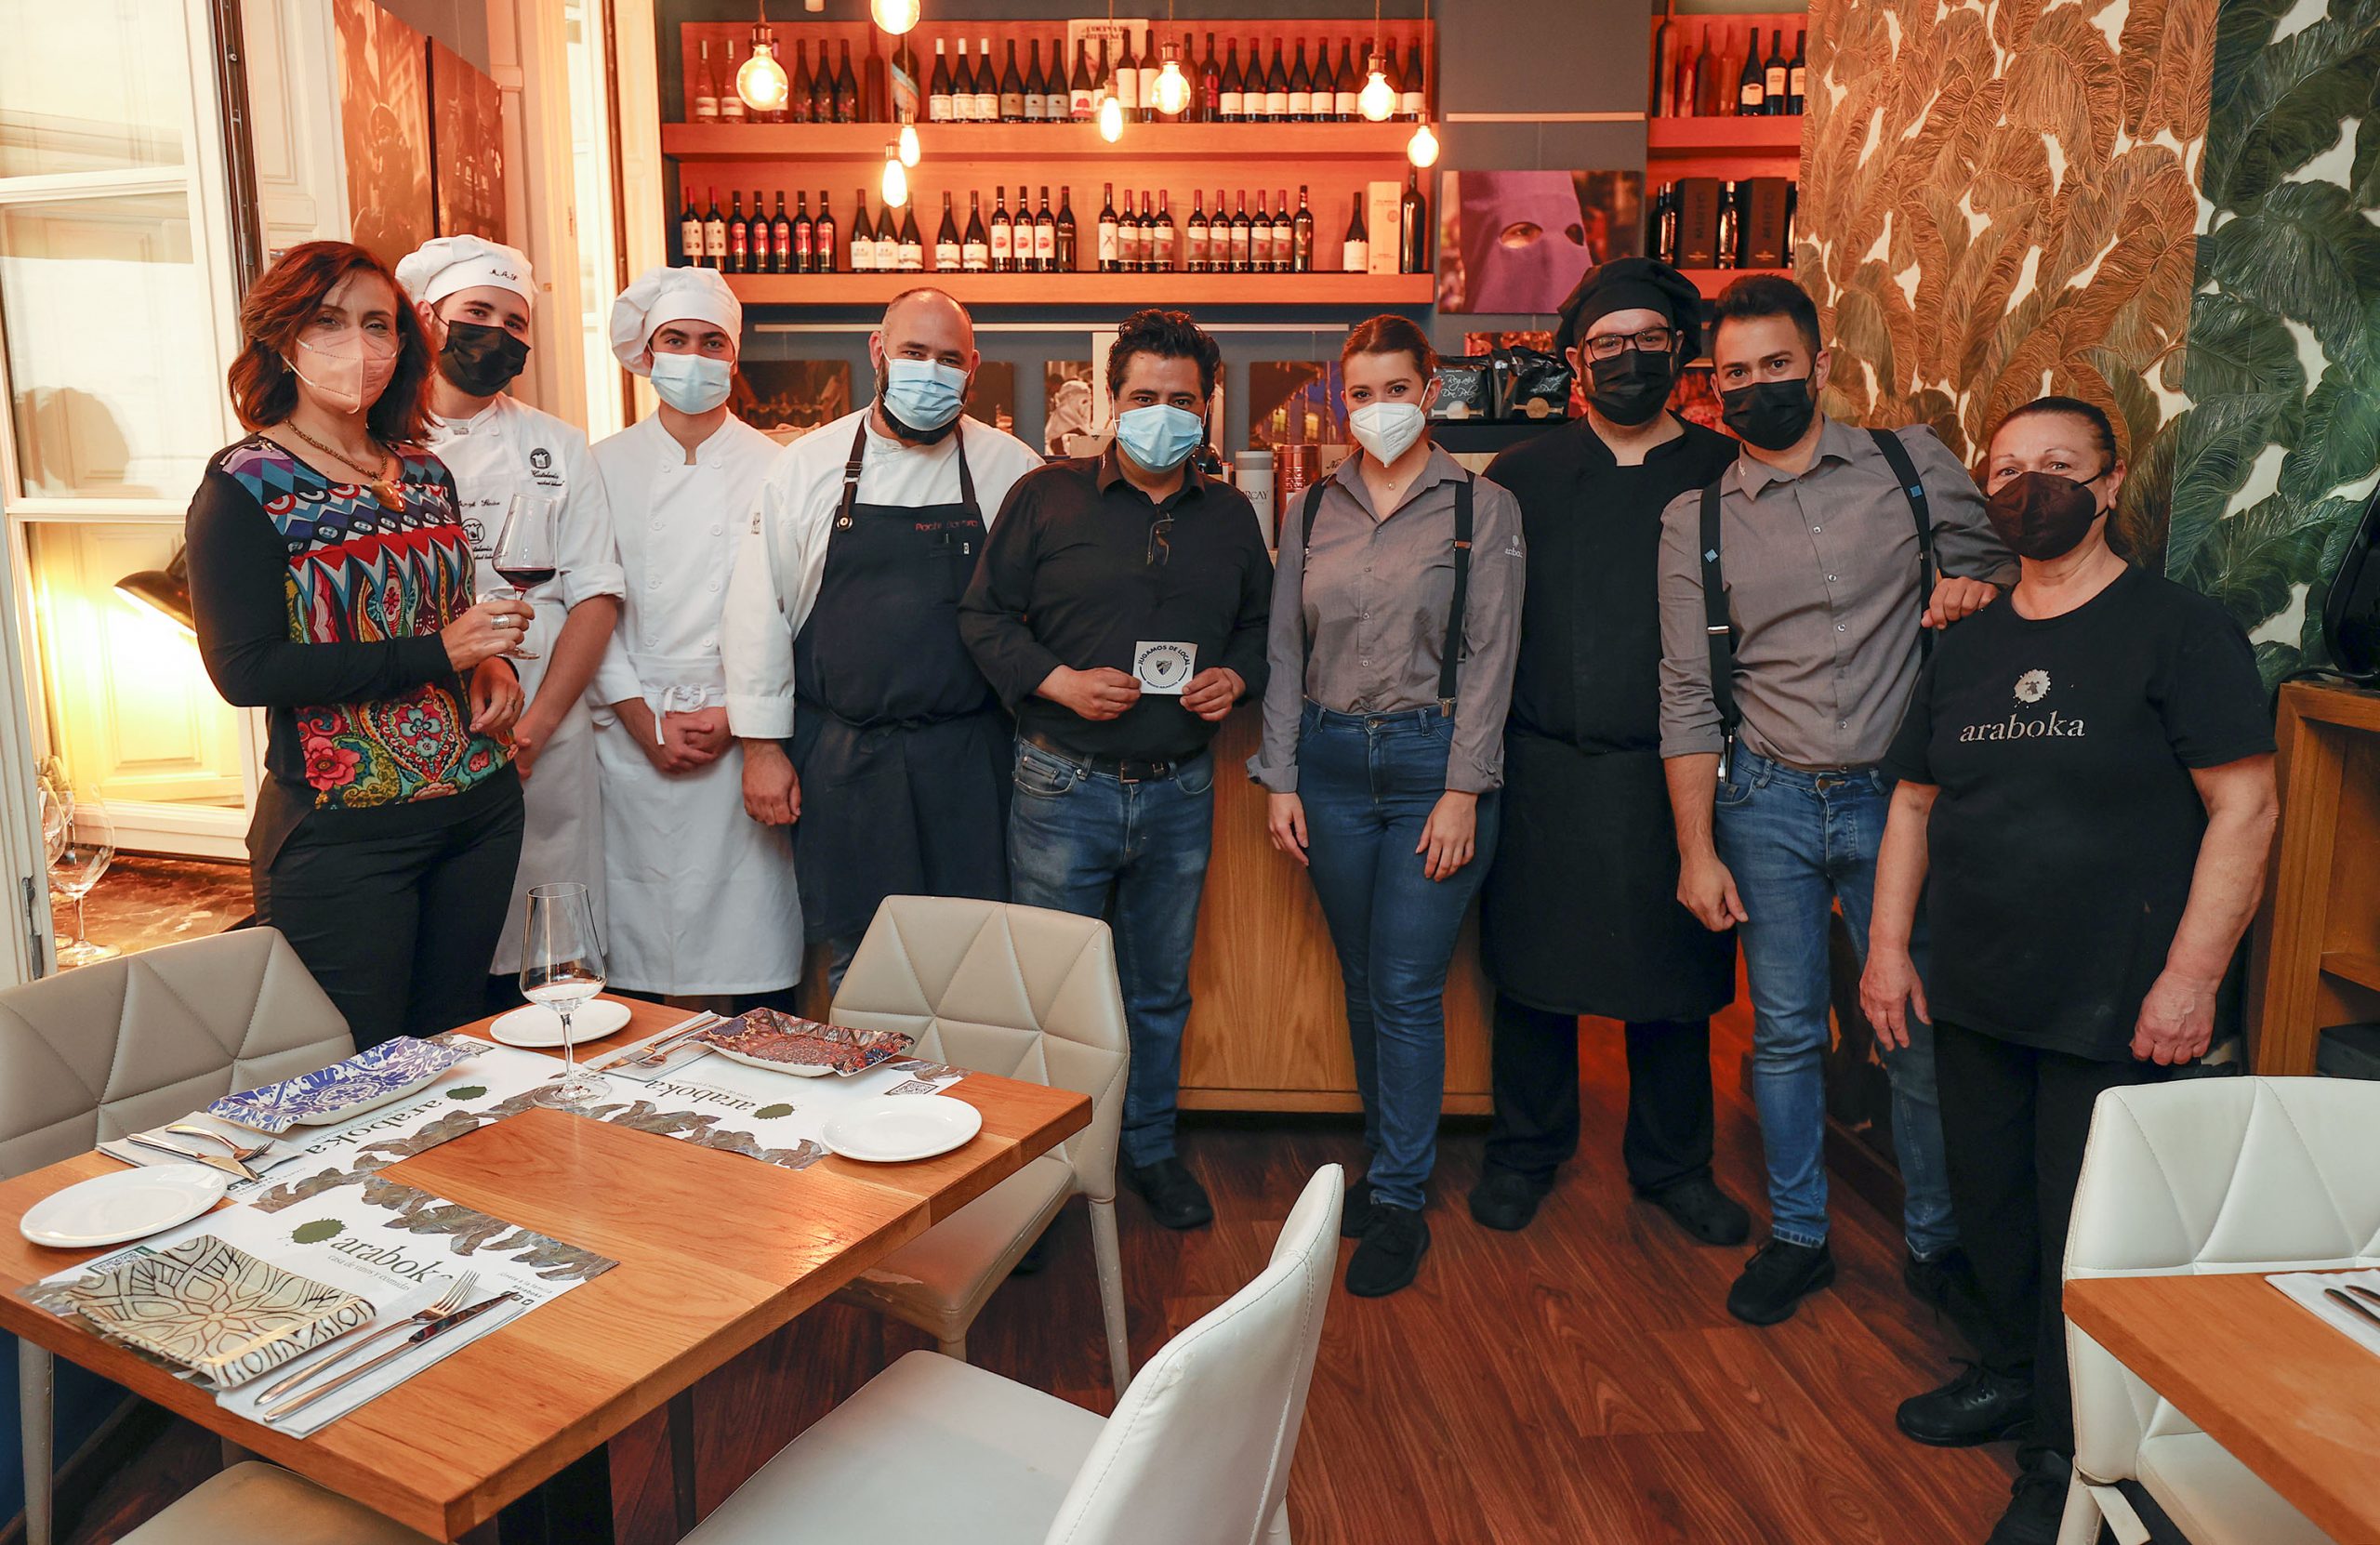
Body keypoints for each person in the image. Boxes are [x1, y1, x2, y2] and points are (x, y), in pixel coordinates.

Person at [1860, 398, 2277, 1545]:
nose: (2026, 486)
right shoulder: (1967, 641)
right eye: (2004, 469)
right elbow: (1912, 803)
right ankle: (2008, 1375)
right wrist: (1888, 951)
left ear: (2108, 485)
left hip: (2114, 994)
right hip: (1977, 982)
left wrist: (2189, 980)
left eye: (2055, 464)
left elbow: (2244, 807)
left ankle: (2067, 1454)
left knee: (2083, 1231)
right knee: (1993, 1209)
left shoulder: (2175, 630)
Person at [1656, 274, 2016, 1327]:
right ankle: (1801, 1237)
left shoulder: (1912, 466)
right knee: (1782, 1034)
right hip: (1765, 800)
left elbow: (2011, 584)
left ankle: (1936, 1244)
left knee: (1914, 1029)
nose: (1756, 386)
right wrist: (1695, 850)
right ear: (1712, 386)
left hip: (1902, 801)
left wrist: (1977, 591)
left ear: (1819, 366)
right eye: (1735, 374)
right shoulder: (1695, 520)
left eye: (1777, 364)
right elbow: (1686, 691)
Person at [959, 308, 1271, 1231]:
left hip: (1180, 787)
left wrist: (1236, 677)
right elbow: (983, 618)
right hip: (1061, 784)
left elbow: (1261, 625)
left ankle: (1150, 1149)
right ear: (1109, 400)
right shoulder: (1044, 497)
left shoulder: (1231, 514)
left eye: (1181, 400)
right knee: (1051, 993)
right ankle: (1046, 1171)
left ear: (1207, 409)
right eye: (1142, 397)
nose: (1160, 414)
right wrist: (1056, 680)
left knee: (1158, 992)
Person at [185, 240, 530, 1048]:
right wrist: (439, 655)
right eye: (329, 321)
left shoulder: (424, 472)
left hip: (479, 811)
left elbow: (445, 614)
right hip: (344, 831)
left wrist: (488, 661)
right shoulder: (244, 484)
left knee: (458, 1051)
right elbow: (244, 670)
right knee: (355, 1066)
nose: (360, 345)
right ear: (281, 337)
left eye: (379, 325)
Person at [1472, 258, 1750, 1244]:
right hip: (1543, 761)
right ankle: (1525, 1151)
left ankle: (1674, 1165)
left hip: (1674, 771)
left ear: (1680, 351)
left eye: (1647, 340)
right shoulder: (1520, 475)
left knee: (1674, 980)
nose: (1628, 358)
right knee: (1532, 977)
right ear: (1576, 360)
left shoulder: (1726, 470)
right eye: (1606, 344)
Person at [1250, 315, 1524, 1296]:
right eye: (1360, 394)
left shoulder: (1481, 506)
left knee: (1406, 987)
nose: (1378, 410)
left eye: (1396, 389)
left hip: (1427, 765)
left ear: (1431, 388)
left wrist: (1462, 789)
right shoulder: (1310, 508)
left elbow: (1492, 656)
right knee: (1364, 980)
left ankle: (1401, 1199)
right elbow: (1285, 648)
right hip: (1327, 765)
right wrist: (1281, 775)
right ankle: (1384, 1162)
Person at [723, 288, 1043, 985]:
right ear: (878, 351)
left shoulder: (1013, 470)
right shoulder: (807, 466)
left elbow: (1044, 616)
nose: (931, 372)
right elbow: (757, 612)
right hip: (847, 759)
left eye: (949, 359)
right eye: (914, 352)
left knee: (976, 962)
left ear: (974, 368)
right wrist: (762, 750)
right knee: (863, 964)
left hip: (973, 760)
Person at [393, 235, 624, 999]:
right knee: (442, 938)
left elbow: (596, 593)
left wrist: (538, 729)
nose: (496, 334)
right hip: (425, 711)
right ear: (428, 318)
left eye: (515, 322)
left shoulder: (557, 444)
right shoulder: (377, 444)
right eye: (477, 313)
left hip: (545, 718)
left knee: (545, 937)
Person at [588, 266, 802, 1005]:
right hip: (626, 733)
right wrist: (639, 716)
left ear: (734, 359)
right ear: (647, 354)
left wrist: (738, 715)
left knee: (751, 968)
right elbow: (587, 606)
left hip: (739, 735)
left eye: (712, 342)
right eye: (675, 340)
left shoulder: (780, 468)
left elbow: (794, 608)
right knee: (631, 978)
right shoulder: (600, 464)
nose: (693, 356)